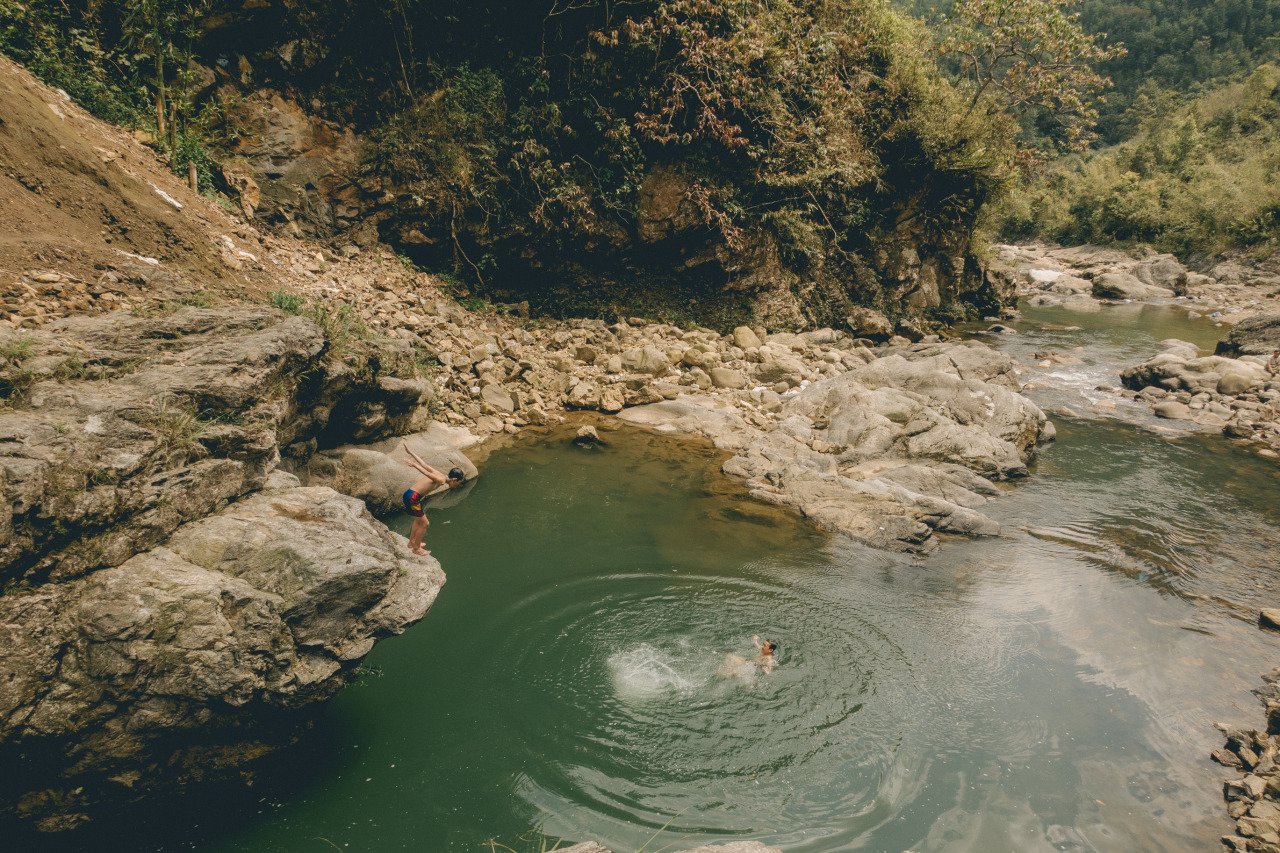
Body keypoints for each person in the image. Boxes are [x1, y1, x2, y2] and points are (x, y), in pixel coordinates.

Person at [401, 443, 466, 556]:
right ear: (454, 479)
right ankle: (416, 549)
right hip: (413, 498)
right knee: (425, 523)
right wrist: (414, 465)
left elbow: (424, 464)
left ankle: (412, 543)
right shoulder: (441, 479)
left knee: (418, 520)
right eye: (458, 483)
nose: (457, 486)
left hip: (410, 495)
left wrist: (411, 453)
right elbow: (426, 472)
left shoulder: (440, 474)